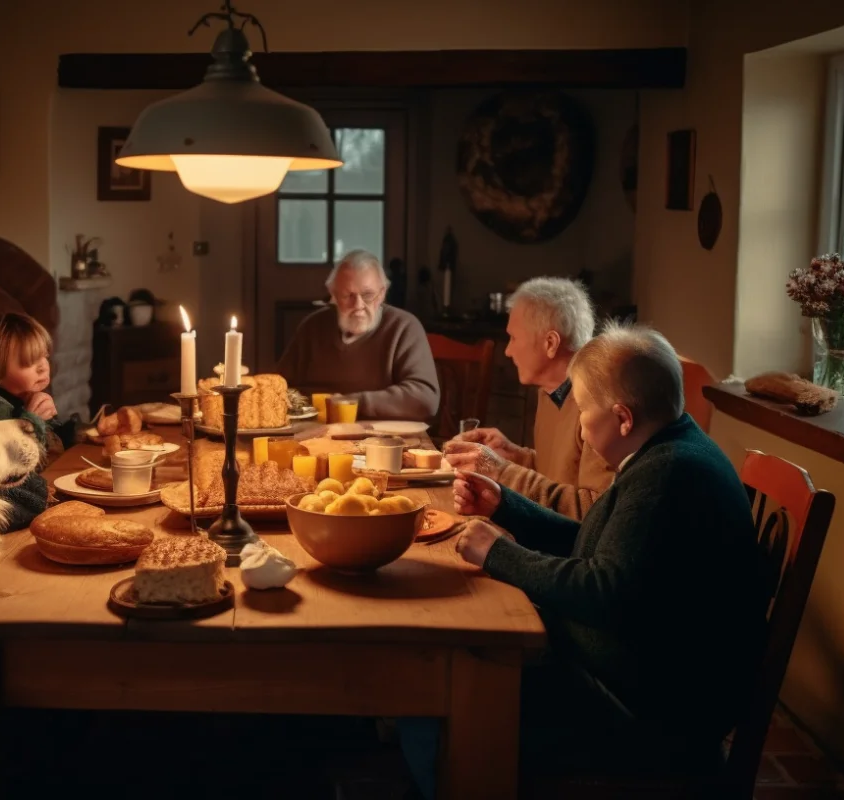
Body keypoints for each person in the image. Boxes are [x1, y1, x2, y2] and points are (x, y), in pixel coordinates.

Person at [401, 323, 768, 798]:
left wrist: (498, 554)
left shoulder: (668, 476)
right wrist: (506, 506)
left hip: (650, 710)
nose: (578, 424)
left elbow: (602, 590)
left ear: (621, 418)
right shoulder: (669, 446)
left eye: (583, 410)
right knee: (467, 660)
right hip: (646, 672)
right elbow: (600, 546)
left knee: (446, 694)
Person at [446, 276, 614, 520]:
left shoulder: (599, 404)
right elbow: (563, 476)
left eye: (513, 338)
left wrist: (502, 472)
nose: (508, 351)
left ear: (550, 343)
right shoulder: (551, 392)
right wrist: (515, 456)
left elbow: (594, 513)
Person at [276, 249, 439, 420]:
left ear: (382, 294)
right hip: (314, 430)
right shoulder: (312, 327)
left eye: (367, 295)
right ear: (334, 295)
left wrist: (352, 403)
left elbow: (425, 400)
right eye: (348, 295)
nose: (358, 305)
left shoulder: (404, 327)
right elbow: (279, 388)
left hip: (382, 439)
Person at [0, 312, 77, 531]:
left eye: (44, 356)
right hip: (4, 500)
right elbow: (11, 465)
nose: (43, 367)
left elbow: (54, 441)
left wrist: (79, 431)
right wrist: (32, 420)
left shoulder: (22, 395)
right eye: (29, 362)